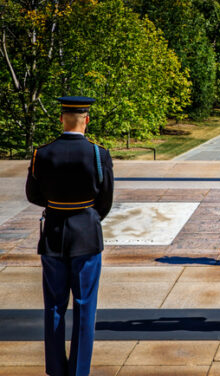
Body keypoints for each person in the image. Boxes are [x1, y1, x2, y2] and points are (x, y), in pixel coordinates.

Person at [26, 96, 114, 376]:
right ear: (86, 119)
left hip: (53, 234)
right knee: (85, 306)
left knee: (53, 306)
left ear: (61, 119)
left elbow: (33, 194)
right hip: (86, 236)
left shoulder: (43, 153)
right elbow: (106, 199)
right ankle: (78, 371)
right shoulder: (98, 154)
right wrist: (87, 216)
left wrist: (57, 205)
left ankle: (55, 369)